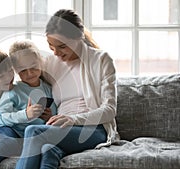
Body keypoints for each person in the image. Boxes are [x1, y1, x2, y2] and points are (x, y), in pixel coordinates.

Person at [15, 9, 120, 169]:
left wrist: (73, 119)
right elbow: (27, 77)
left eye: (62, 46)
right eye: (51, 47)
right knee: (48, 150)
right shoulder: (51, 64)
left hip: (93, 129)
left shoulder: (101, 60)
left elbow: (109, 110)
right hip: (60, 129)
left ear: (79, 37)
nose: (56, 53)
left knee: (34, 132)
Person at [0, 40, 57, 169]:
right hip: (9, 130)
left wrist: (49, 117)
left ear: (40, 62)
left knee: (46, 147)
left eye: (34, 67)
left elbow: (54, 113)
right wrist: (25, 115)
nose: (30, 74)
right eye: (23, 71)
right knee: (9, 142)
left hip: (30, 137)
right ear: (16, 71)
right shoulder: (13, 90)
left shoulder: (48, 88)